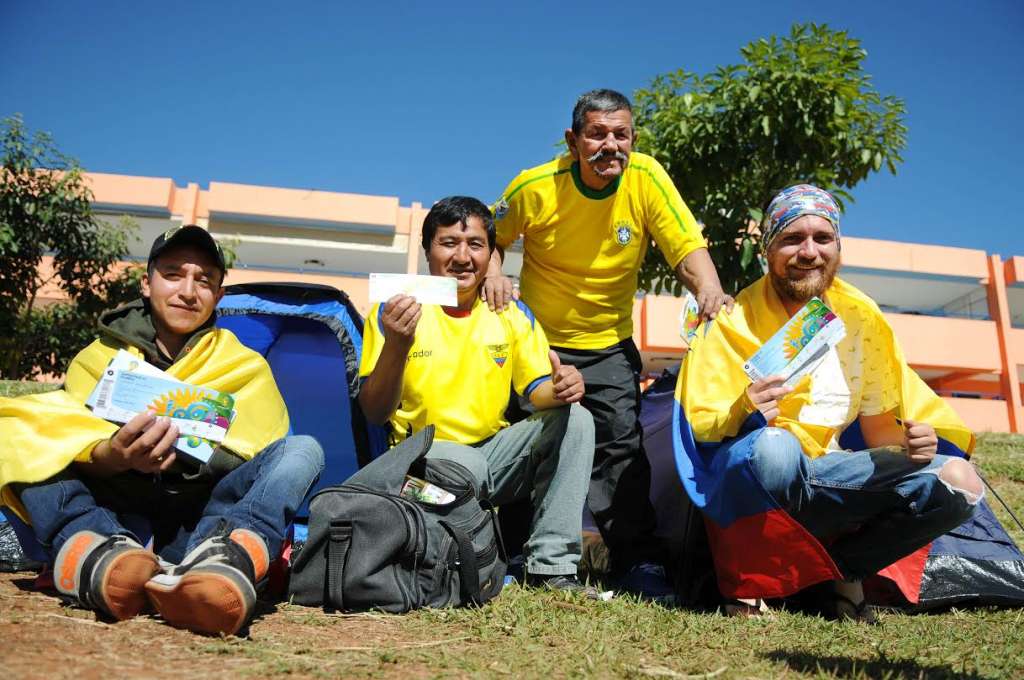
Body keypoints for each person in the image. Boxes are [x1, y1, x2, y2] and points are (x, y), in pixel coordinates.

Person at [676, 184, 984, 620]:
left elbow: (877, 433)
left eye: (822, 239)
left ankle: (839, 576)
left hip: (831, 474)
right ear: (768, 249)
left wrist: (915, 443)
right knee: (774, 448)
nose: (809, 252)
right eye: (791, 238)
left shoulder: (861, 316)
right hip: (759, 472)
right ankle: (750, 584)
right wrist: (742, 410)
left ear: (838, 246)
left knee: (960, 482)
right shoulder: (732, 319)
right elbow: (698, 425)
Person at [0, 225, 324, 636]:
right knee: (16, 426)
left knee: (302, 450)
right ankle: (94, 548)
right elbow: (66, 439)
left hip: (200, 521)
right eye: (173, 274)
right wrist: (111, 455)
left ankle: (227, 558)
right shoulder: (97, 358)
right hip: (111, 508)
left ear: (219, 295)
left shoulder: (244, 367)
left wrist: (189, 456)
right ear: (146, 284)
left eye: (204, 280)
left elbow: (253, 451)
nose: (188, 291)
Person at [484, 88, 732, 597]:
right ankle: (508, 555)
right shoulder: (535, 185)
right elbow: (490, 235)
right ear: (573, 140)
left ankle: (639, 564)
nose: (610, 145)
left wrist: (708, 286)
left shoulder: (646, 178)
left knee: (621, 450)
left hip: (609, 345)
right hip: (536, 343)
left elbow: (684, 244)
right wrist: (494, 276)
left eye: (620, 134)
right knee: (524, 443)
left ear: (633, 139)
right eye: (597, 134)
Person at [358, 196, 598, 596]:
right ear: (427, 252)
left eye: (475, 244)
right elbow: (374, 411)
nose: (463, 256)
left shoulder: (510, 313)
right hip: (417, 470)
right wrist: (398, 345)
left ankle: (551, 569)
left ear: (491, 254)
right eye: (448, 243)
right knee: (465, 462)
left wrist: (560, 389)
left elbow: (536, 389)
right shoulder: (394, 310)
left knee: (578, 419)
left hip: (490, 462)